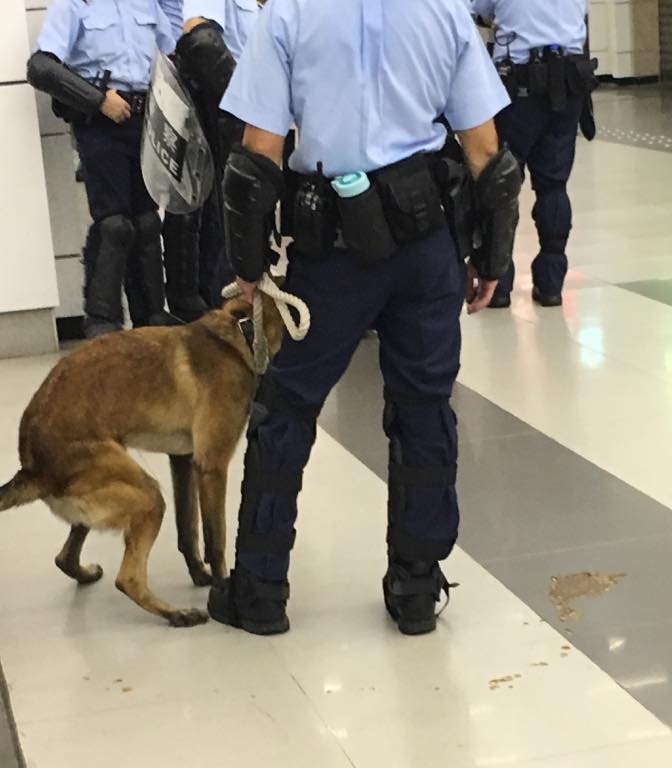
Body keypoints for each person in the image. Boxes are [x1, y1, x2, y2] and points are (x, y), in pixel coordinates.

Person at [207, 0, 521, 637]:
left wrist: (247, 263)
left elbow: (257, 153)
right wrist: (493, 257)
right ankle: (415, 587)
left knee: (288, 406)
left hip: (333, 253)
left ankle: (260, 592)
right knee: (425, 404)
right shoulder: (444, 10)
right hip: (428, 242)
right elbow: (486, 149)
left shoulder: (289, 13)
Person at [27, 0, 179, 338]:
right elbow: (41, 67)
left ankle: (152, 321)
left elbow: (174, 53)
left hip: (145, 120)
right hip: (99, 123)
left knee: (147, 221)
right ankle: (102, 325)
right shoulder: (74, 4)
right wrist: (97, 99)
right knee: (114, 224)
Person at [471, 0, 596, 308]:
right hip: (569, 86)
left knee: (501, 187)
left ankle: (498, 284)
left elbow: (479, 11)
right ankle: (551, 284)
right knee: (554, 186)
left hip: (518, 89)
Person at [160, 0, 259, 321]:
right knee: (229, 217)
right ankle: (225, 315)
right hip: (232, 118)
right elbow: (199, 40)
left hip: (264, 119)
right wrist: (245, 105)